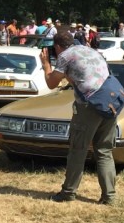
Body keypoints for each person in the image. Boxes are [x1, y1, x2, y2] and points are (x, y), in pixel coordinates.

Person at [43, 31, 119, 205]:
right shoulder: (89, 50)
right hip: (109, 102)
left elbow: (51, 83)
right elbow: (79, 78)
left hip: (88, 107)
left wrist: (46, 63)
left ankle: (68, 192)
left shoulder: (65, 56)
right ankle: (109, 197)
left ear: (57, 46)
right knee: (104, 151)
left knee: (78, 150)